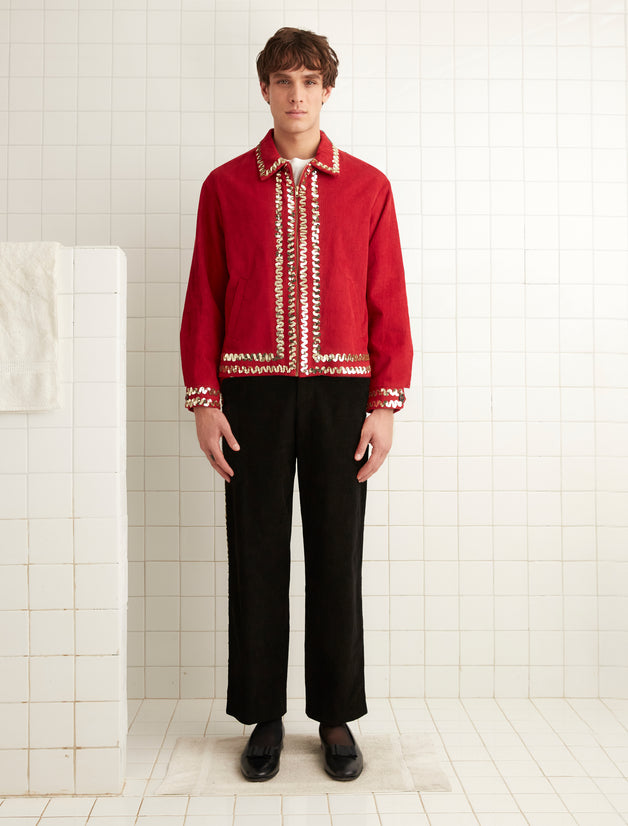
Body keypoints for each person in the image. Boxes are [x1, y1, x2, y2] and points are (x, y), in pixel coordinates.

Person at [180, 27, 413, 782]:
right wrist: (204, 401)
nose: (297, 94)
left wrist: (385, 406)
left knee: (337, 557)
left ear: (328, 91)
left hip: (345, 393)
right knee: (254, 554)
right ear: (264, 90)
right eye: (283, 81)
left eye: (310, 81)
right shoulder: (224, 187)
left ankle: (336, 713)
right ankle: (264, 715)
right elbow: (204, 299)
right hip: (251, 392)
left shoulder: (370, 188)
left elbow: (388, 301)